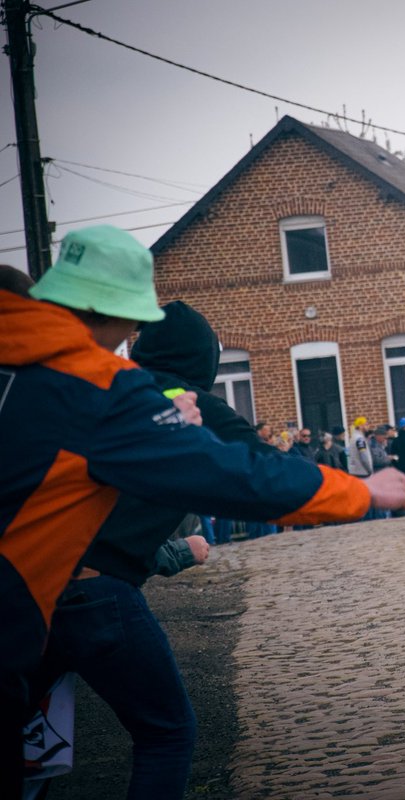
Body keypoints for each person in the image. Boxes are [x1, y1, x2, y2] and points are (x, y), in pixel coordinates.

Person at [0, 225, 405, 790]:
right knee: (167, 732)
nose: (131, 338)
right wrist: (361, 492)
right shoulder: (101, 389)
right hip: (70, 602)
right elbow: (242, 475)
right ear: (113, 311)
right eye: (131, 321)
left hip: (48, 607)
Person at [28, 300, 295, 800]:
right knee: (167, 732)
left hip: (32, 587)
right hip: (97, 596)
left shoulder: (100, 393)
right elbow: (262, 470)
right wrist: (353, 493)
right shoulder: (189, 403)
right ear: (203, 361)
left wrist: (173, 553)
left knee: (25, 733)